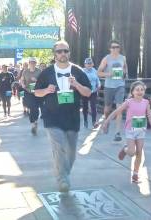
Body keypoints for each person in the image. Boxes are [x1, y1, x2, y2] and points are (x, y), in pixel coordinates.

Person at [34, 40, 92, 192]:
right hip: (52, 116)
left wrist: (77, 85)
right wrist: (46, 90)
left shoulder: (78, 71)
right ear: (55, 54)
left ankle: (63, 173)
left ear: (69, 53)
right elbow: (36, 92)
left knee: (71, 151)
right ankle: (62, 179)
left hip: (72, 117)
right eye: (59, 51)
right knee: (58, 147)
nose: (62, 54)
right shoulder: (46, 72)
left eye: (65, 51)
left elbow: (88, 92)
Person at [102, 81, 151, 183]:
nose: (140, 92)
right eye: (137, 90)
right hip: (130, 130)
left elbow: (149, 115)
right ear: (132, 92)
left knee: (139, 152)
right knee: (132, 153)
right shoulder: (129, 102)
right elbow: (116, 112)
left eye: (142, 90)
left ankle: (135, 174)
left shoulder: (146, 102)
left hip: (141, 130)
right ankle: (125, 149)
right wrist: (106, 122)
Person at [98, 40, 128, 142]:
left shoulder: (122, 58)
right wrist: (108, 74)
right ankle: (107, 122)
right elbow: (99, 73)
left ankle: (117, 133)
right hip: (109, 86)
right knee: (107, 109)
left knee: (119, 108)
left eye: (117, 47)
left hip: (120, 85)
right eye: (113, 47)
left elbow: (125, 70)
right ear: (110, 49)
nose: (116, 49)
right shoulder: (106, 59)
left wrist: (123, 74)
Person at [21, 57, 42, 135]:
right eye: (31, 63)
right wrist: (22, 84)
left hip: (37, 92)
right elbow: (22, 79)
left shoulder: (39, 71)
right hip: (28, 91)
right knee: (31, 106)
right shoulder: (25, 71)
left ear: (36, 64)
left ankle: (35, 121)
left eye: (34, 63)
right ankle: (33, 123)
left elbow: (43, 81)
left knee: (35, 108)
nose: (32, 64)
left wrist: (36, 80)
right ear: (29, 63)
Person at [82, 57, 101, 129]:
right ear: (85, 64)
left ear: (92, 64)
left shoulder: (95, 71)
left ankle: (94, 122)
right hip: (85, 91)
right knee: (85, 107)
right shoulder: (82, 71)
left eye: (90, 63)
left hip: (93, 91)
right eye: (87, 64)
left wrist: (99, 85)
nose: (89, 65)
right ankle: (85, 120)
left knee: (93, 106)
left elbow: (97, 80)